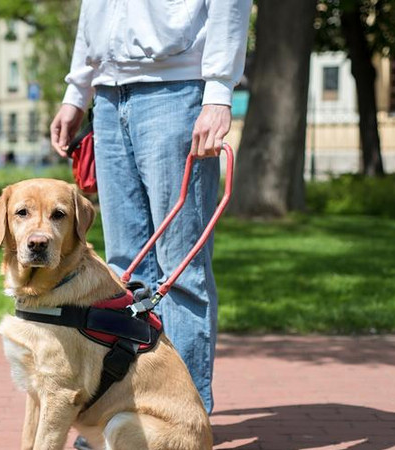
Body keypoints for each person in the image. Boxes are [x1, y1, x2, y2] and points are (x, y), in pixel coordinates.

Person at [50, 0, 252, 425]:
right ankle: (128, 415)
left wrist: (217, 92)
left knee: (181, 274)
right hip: (107, 96)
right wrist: (77, 91)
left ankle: (183, 423)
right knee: (124, 272)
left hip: (176, 91)